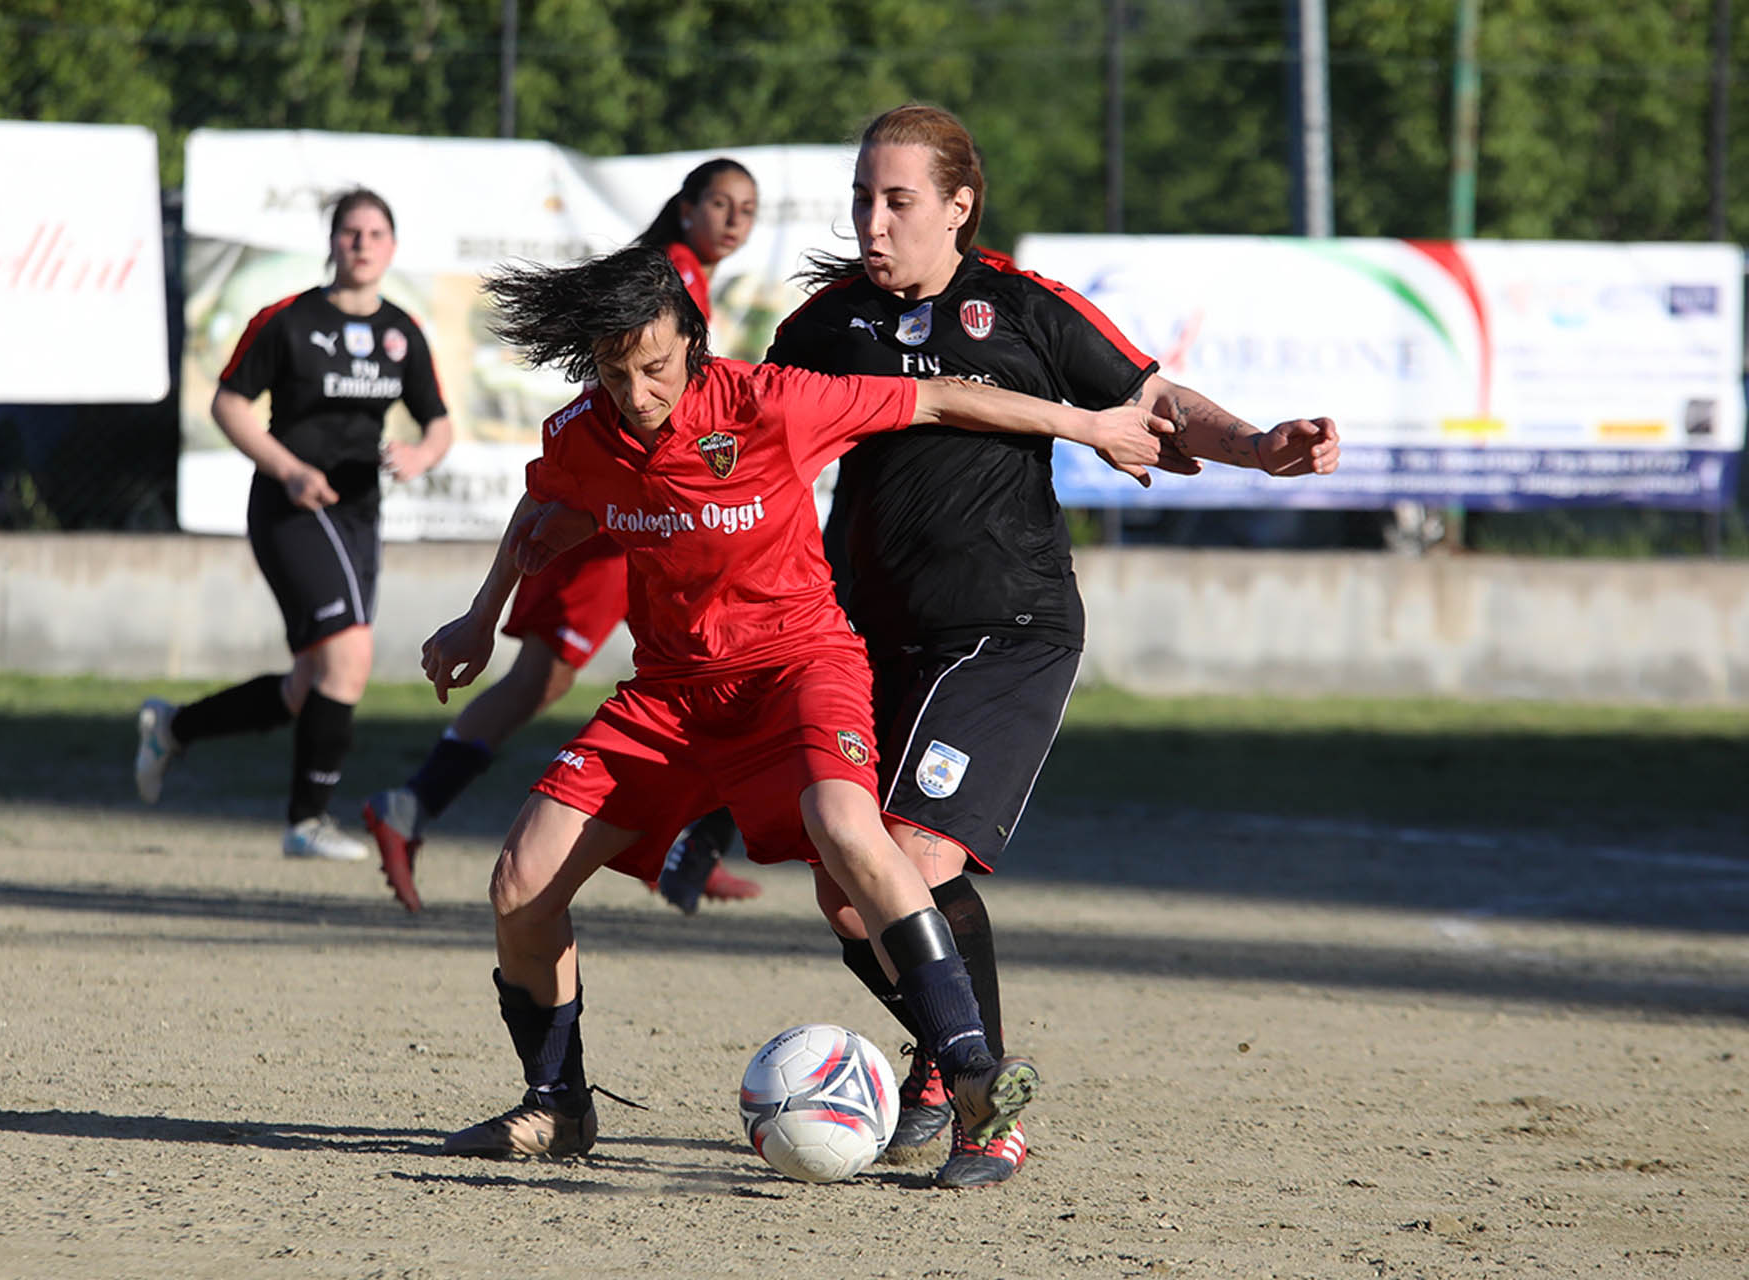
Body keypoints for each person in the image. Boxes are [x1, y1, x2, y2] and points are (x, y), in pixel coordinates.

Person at [416, 244, 1182, 1163]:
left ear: (693, 344)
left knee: (848, 829)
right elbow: (546, 505)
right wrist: (479, 614)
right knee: (521, 886)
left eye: (655, 368)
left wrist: (1087, 426)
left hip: (797, 670)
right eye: (615, 373)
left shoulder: (772, 402)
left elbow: (941, 397)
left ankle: (972, 1072)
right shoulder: (584, 430)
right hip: (669, 699)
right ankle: (557, 1105)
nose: (638, 393)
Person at [765, 103, 1341, 1188]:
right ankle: (947, 1063)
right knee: (848, 896)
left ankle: (990, 1113)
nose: (873, 223)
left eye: (898, 202)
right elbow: (759, 449)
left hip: (1005, 631)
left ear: (959, 206)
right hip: (871, 641)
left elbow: (1153, 397)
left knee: (914, 856)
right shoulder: (820, 328)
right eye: (861, 200)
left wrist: (1259, 448)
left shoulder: (1019, 308)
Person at [362, 158, 764, 915]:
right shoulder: (672, 277)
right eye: (721, 203)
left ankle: (670, 841)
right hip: (613, 524)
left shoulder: (678, 273)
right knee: (654, 668)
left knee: (601, 673)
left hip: (625, 519)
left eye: (749, 207)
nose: (737, 220)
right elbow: (629, 409)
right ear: (686, 208)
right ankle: (671, 841)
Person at [134, 189, 454, 859]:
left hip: (360, 515)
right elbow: (229, 404)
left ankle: (175, 727)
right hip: (292, 509)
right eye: (349, 232)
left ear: (391, 248)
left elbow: (439, 421)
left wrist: (421, 453)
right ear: (331, 243)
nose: (362, 244)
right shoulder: (287, 320)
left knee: (309, 683)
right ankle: (306, 823)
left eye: (375, 233)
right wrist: (289, 469)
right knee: (350, 657)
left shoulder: (403, 332)